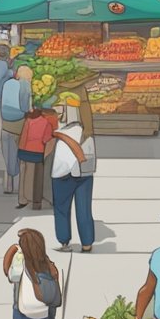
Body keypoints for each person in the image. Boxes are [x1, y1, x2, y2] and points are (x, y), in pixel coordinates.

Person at [50, 107, 97, 252]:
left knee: (62, 209)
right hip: (85, 174)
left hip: (62, 175)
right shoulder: (82, 129)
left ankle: (64, 242)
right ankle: (87, 243)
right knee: (84, 209)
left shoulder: (59, 132)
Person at [0, 66, 34, 194]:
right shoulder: (25, 85)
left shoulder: (7, 84)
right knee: (20, 156)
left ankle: (8, 184)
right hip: (18, 125)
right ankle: (21, 187)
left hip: (5, 125)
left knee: (8, 155)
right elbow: (25, 107)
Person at [18, 108, 57, 210]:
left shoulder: (28, 122)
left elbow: (23, 137)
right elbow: (46, 139)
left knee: (24, 176)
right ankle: (35, 201)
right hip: (38, 153)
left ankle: (23, 199)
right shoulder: (46, 123)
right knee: (37, 179)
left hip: (25, 151)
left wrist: (21, 150)